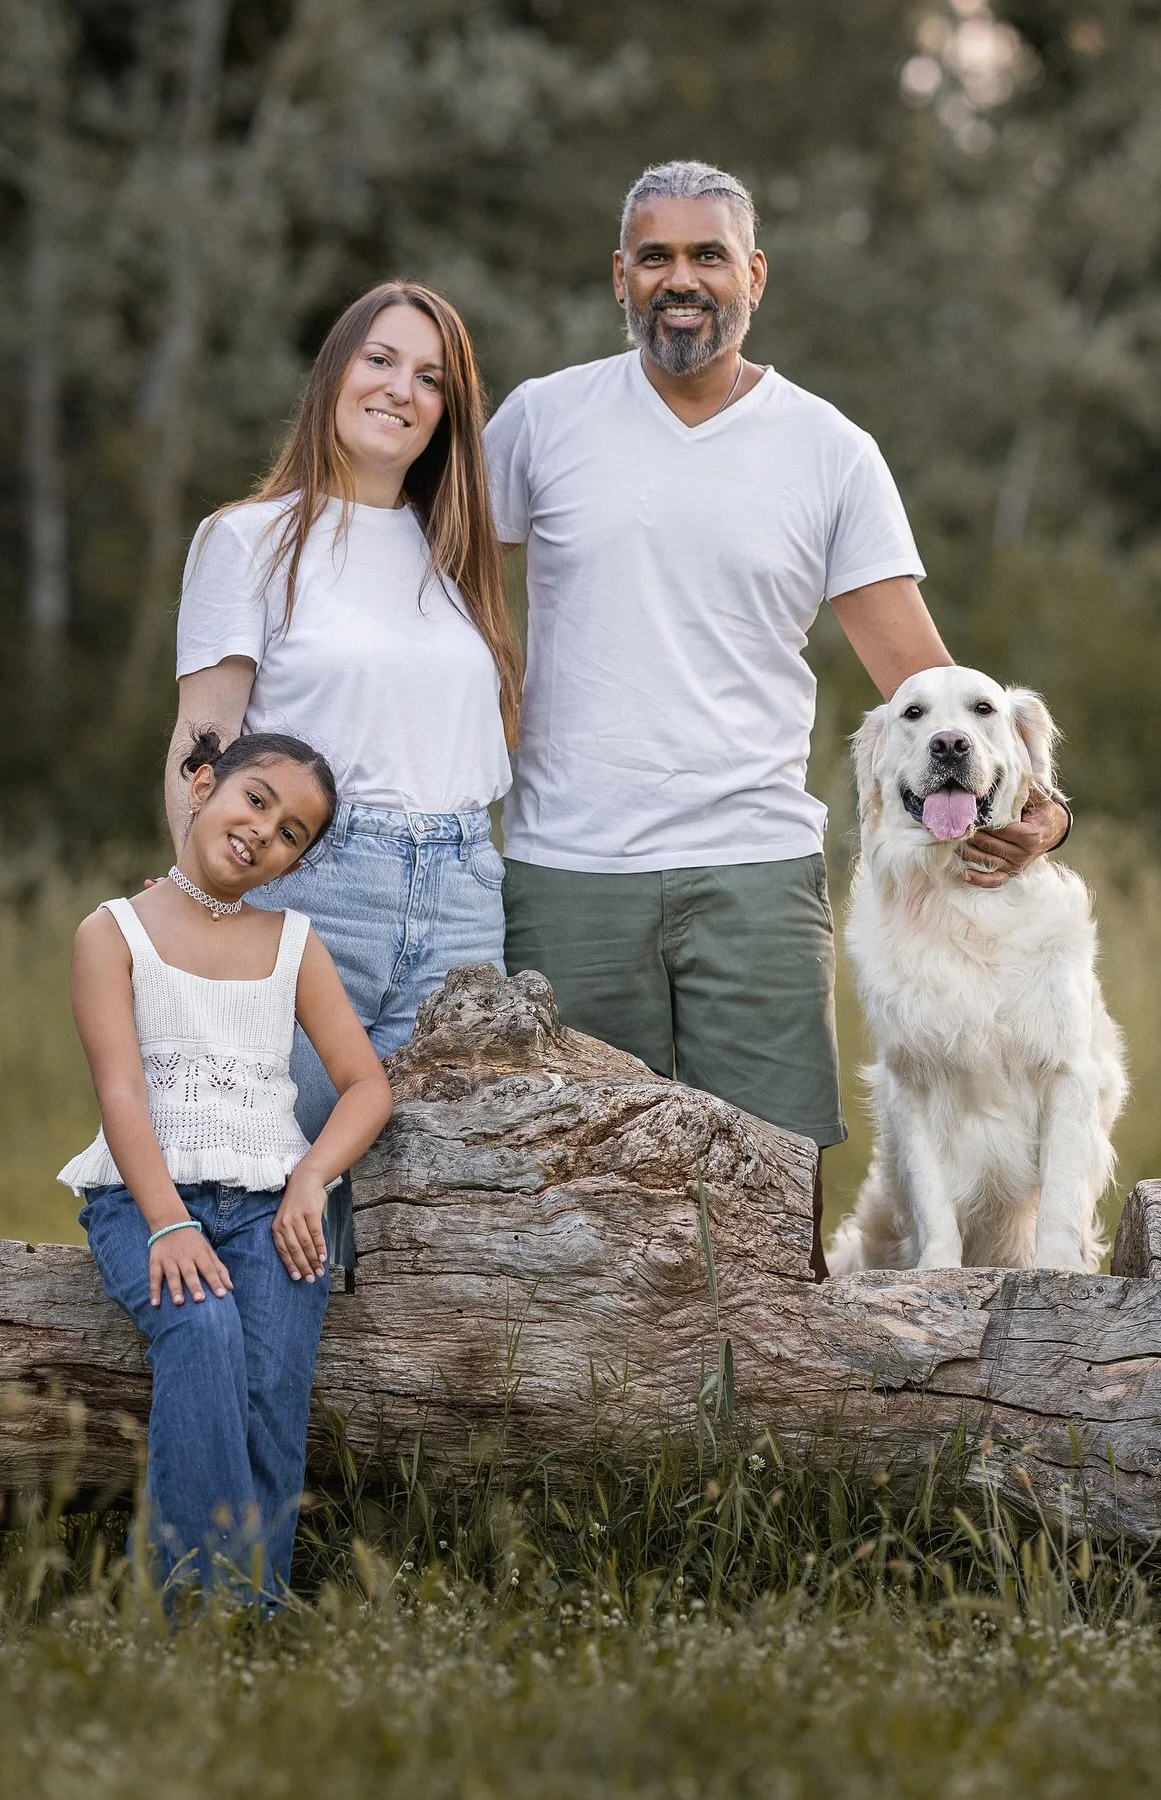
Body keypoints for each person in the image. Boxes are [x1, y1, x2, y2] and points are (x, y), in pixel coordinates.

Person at [484, 161, 1071, 1275]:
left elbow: (923, 682)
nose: (681, 280)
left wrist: (1044, 808)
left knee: (761, 1207)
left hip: (750, 873)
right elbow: (436, 582)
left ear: (754, 275)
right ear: (620, 275)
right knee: (564, 1207)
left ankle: (751, 1448)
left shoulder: (829, 451)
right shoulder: (540, 422)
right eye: (655, 257)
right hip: (566, 872)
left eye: (708, 256)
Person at [166, 281, 520, 1268]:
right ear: (334, 371)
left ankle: (365, 1424)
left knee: (425, 1212)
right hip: (315, 888)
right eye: (380, 360)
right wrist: (200, 923)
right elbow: (203, 744)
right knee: (259, 1185)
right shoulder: (250, 540)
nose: (401, 389)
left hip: (462, 905)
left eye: (431, 378)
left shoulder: (453, 552)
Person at [60, 729, 393, 1600]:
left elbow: (366, 1087)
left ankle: (237, 1610)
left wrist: (312, 1179)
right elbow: (124, 1095)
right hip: (142, 1199)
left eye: (291, 834)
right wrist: (168, 1221)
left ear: (292, 865)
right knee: (200, 1325)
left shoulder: (292, 943)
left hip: (273, 1203)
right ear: (203, 784)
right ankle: (201, 1613)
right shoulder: (113, 931)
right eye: (256, 800)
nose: (263, 831)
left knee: (269, 1388)